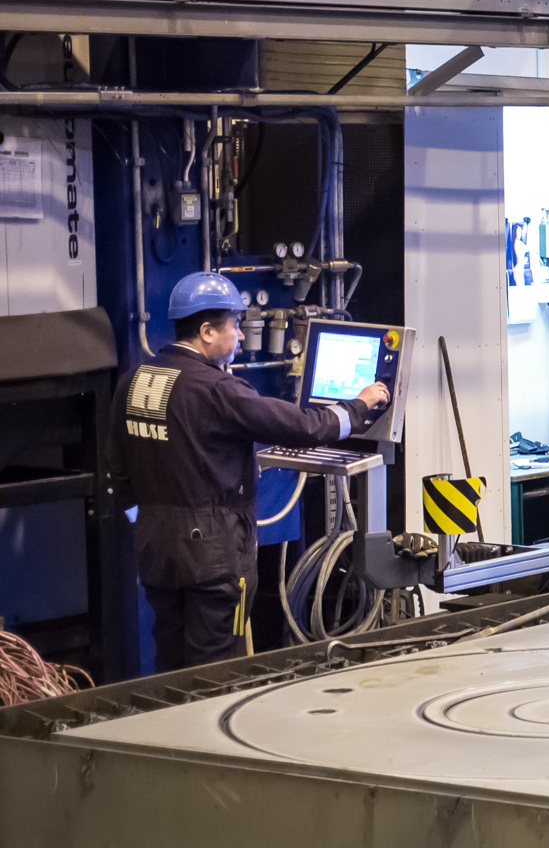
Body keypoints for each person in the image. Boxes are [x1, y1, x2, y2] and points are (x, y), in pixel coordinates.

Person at [117, 272, 390, 670]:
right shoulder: (217, 390)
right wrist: (359, 405)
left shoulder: (134, 380)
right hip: (213, 557)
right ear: (207, 331)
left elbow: (117, 473)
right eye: (235, 325)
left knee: (171, 663)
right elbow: (305, 427)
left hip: (156, 549)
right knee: (217, 668)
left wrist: (146, 520)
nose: (242, 335)